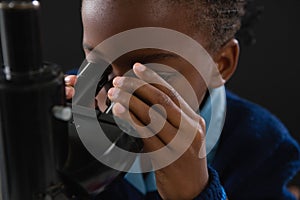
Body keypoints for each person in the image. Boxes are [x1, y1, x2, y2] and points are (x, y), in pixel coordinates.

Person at [64, 0, 300, 199]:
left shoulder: (263, 148)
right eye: (98, 64)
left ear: (220, 64)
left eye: (150, 71)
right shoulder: (66, 109)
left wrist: (197, 192)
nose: (118, 93)